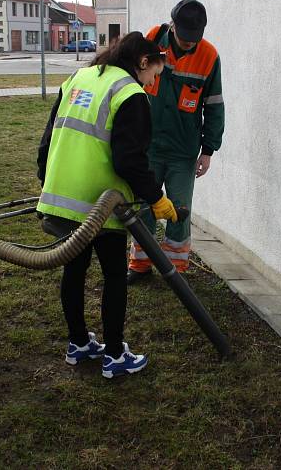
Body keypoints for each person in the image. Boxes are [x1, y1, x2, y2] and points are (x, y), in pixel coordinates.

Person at [36, 32, 177, 379]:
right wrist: (156, 198)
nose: (152, 83)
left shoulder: (79, 78)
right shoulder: (129, 93)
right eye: (154, 75)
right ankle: (114, 356)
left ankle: (79, 343)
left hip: (62, 197)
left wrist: (46, 180)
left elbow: (49, 136)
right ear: (143, 62)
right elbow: (129, 160)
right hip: (100, 204)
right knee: (115, 275)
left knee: (75, 270)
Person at [127, 0, 225, 284]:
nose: (187, 44)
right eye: (183, 38)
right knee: (143, 204)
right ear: (172, 26)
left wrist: (208, 150)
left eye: (193, 39)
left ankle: (175, 269)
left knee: (179, 210)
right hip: (148, 146)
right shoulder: (152, 40)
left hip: (183, 151)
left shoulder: (209, 56)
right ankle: (140, 264)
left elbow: (215, 105)